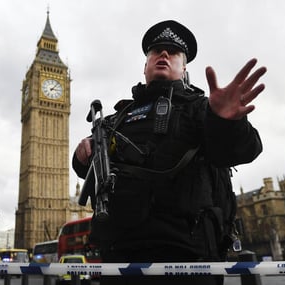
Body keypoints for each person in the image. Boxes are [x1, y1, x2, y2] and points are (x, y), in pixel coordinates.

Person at [73, 20, 266, 285]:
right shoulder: (118, 118)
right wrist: (81, 155)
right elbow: (90, 172)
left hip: (188, 258)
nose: (163, 55)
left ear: (183, 68)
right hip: (120, 259)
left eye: (172, 52)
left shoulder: (200, 108)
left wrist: (226, 121)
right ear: (145, 66)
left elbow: (243, 149)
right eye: (156, 51)